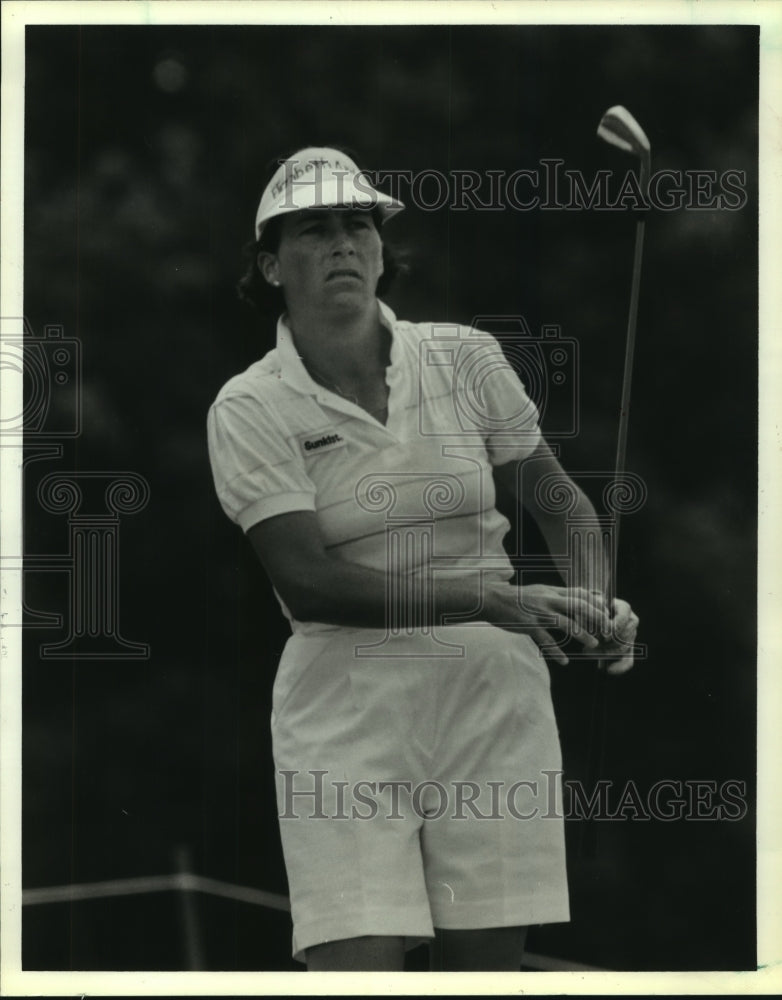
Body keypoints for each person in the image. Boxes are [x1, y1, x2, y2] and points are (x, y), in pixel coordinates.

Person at [207, 147, 639, 972]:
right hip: (344, 706)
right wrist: (491, 598)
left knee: (485, 975)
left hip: (492, 698)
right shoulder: (249, 404)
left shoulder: (466, 355)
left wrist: (593, 604)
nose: (342, 242)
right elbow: (308, 578)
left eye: (357, 224)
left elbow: (559, 504)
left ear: (380, 249)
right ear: (270, 264)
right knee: (356, 968)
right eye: (314, 229)